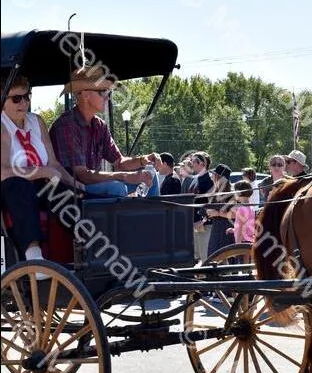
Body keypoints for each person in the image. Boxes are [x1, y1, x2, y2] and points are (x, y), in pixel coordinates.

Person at [1, 73, 85, 266]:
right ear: (3, 101)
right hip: (11, 190)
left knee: (72, 195)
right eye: (16, 98)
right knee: (19, 186)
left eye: (26, 96)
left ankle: (84, 252)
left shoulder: (36, 121)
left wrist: (78, 185)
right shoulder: (2, 125)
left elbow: (54, 165)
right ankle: (33, 255)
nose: (24, 102)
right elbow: (3, 172)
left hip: (42, 186)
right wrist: (41, 171)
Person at [50, 67, 161, 197]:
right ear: (86, 95)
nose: (108, 97)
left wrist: (143, 160)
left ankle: (155, 217)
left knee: (151, 177)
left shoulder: (99, 125)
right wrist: (125, 176)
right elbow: (83, 176)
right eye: (103, 92)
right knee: (116, 187)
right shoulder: (66, 125)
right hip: (73, 192)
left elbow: (119, 163)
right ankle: (122, 217)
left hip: (94, 187)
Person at [188, 151, 214, 264]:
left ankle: (207, 280)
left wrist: (203, 220)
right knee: (197, 256)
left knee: (205, 256)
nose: (191, 163)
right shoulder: (196, 179)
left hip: (204, 224)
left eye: (193, 161)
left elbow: (211, 202)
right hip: (195, 223)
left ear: (202, 164)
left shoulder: (209, 181)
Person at [206, 164, 236, 257]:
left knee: (226, 257)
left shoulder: (231, 193)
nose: (212, 176)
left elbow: (234, 214)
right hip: (216, 227)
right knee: (213, 258)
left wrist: (217, 213)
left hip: (226, 229)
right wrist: (207, 212)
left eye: (214, 174)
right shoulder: (215, 191)